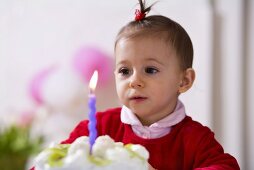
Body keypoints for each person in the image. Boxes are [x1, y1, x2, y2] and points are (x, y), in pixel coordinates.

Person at [58, 0, 240, 170]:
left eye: (150, 70)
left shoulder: (195, 139)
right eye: (124, 71)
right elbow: (52, 162)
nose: (134, 81)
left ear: (184, 81)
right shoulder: (98, 127)